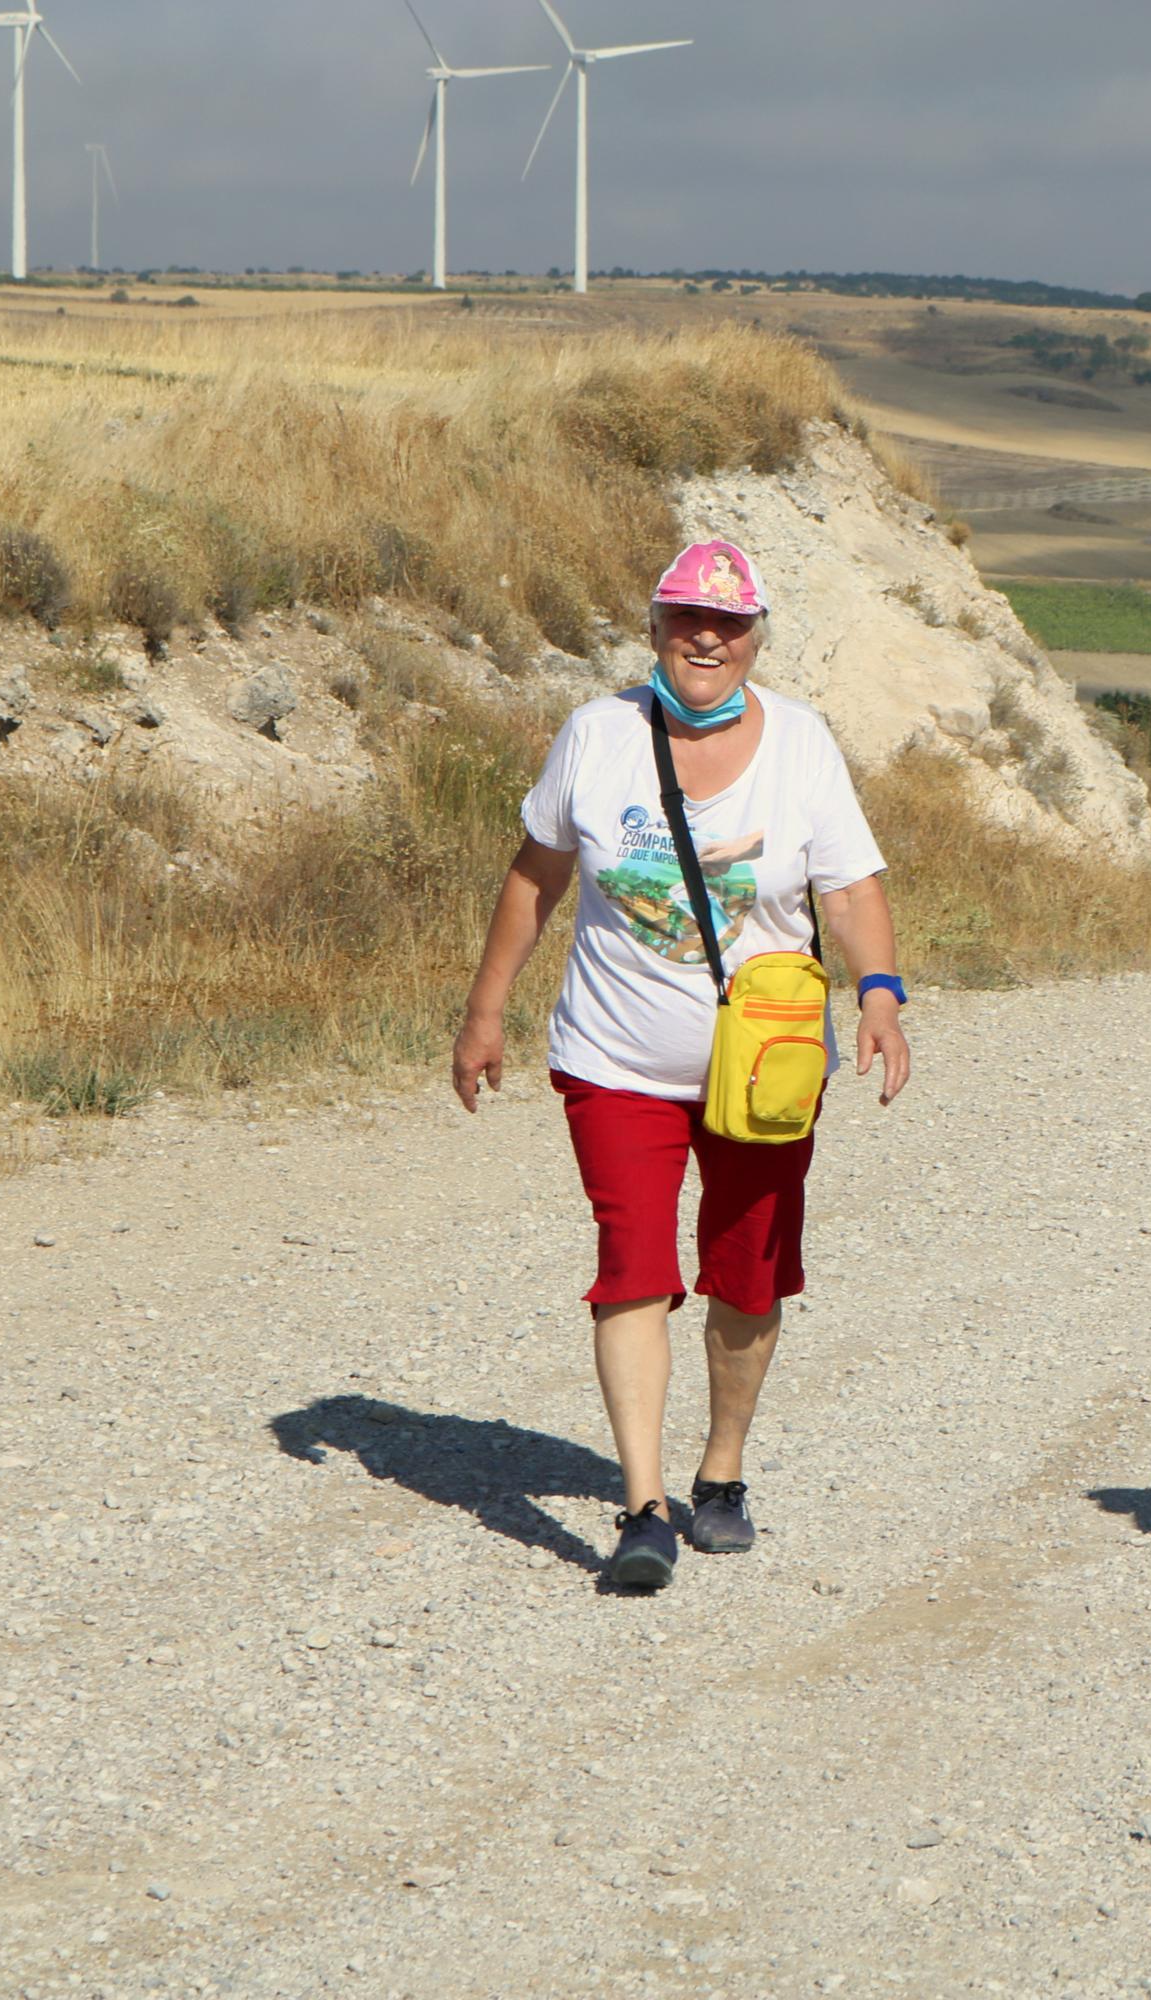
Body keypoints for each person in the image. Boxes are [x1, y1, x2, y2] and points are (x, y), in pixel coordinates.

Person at [453, 539, 911, 1592]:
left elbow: (848, 888)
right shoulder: (598, 736)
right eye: (684, 618)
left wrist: (879, 991)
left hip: (768, 1069)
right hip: (614, 1055)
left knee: (747, 1276)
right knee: (634, 1266)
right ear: (654, 626)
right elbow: (536, 875)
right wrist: (486, 1012)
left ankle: (722, 1473)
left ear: (755, 637)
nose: (707, 637)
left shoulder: (802, 743)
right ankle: (645, 1506)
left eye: (730, 622)